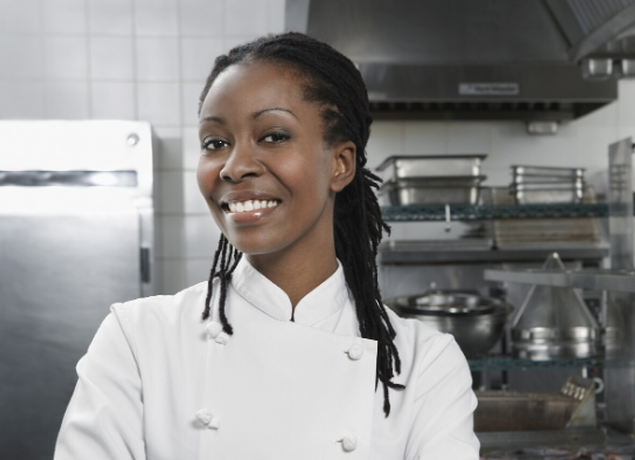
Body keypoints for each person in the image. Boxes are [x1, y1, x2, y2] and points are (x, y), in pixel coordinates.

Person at [54, 32, 479, 459]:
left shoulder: (424, 364)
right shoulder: (138, 340)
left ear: (340, 163)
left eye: (273, 135)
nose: (234, 167)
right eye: (215, 143)